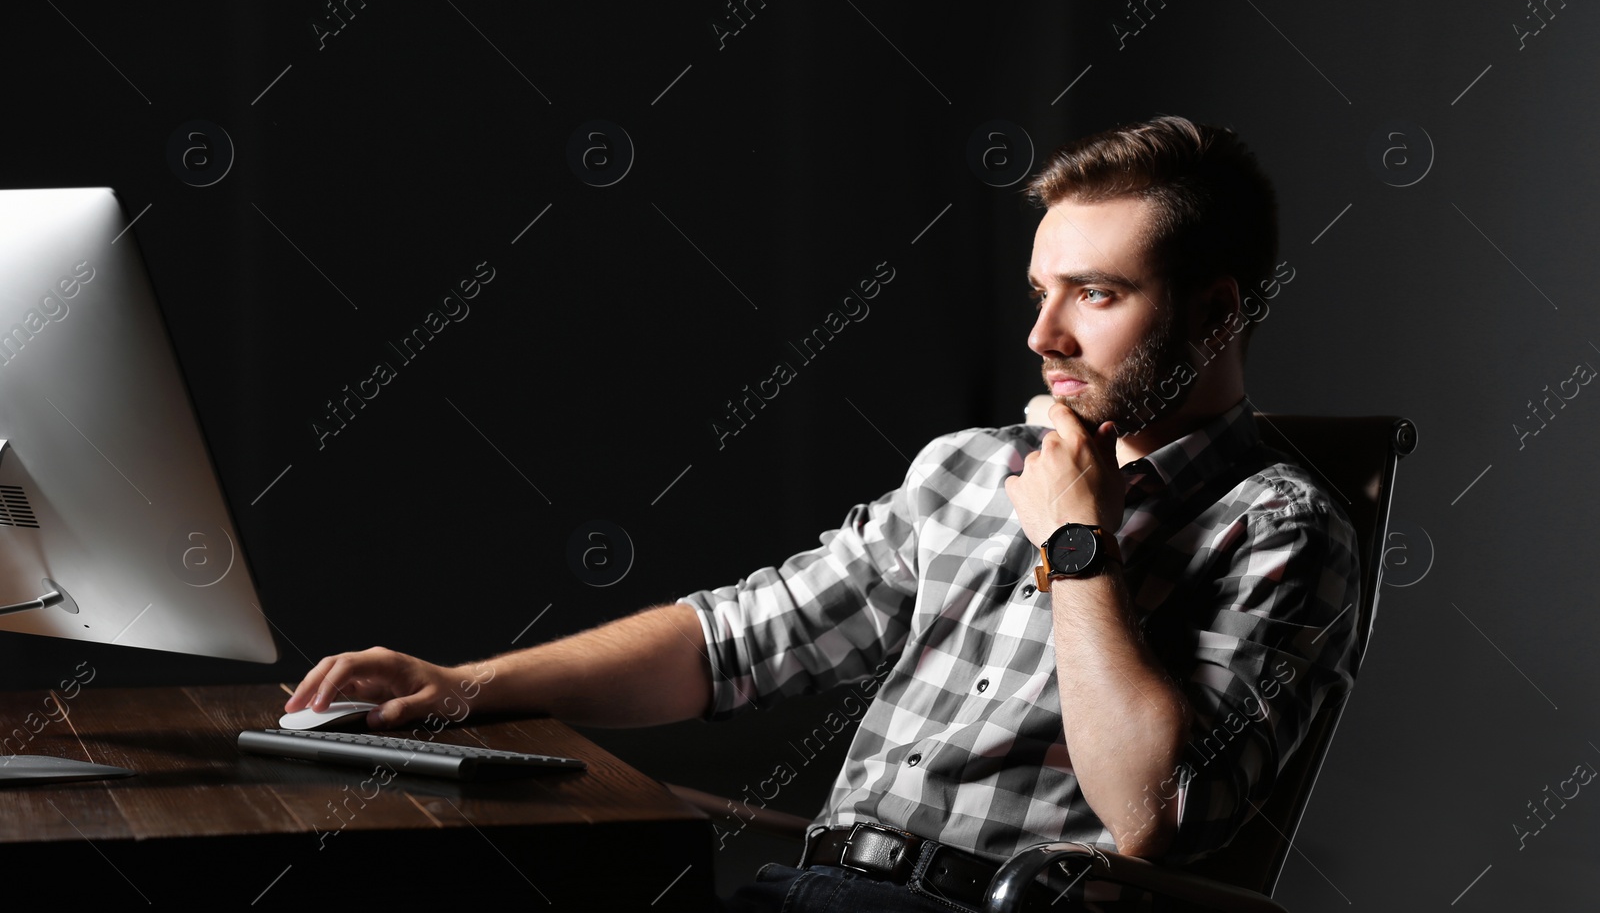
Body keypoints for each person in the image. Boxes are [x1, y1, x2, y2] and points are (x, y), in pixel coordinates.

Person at [287, 116, 1359, 912]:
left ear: (1216, 314)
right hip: (807, 891)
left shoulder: (1282, 529)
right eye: (1039, 291)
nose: (1042, 337)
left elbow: (1155, 810)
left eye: (1095, 294)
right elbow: (738, 641)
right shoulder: (967, 471)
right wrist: (466, 686)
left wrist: (1078, 546)